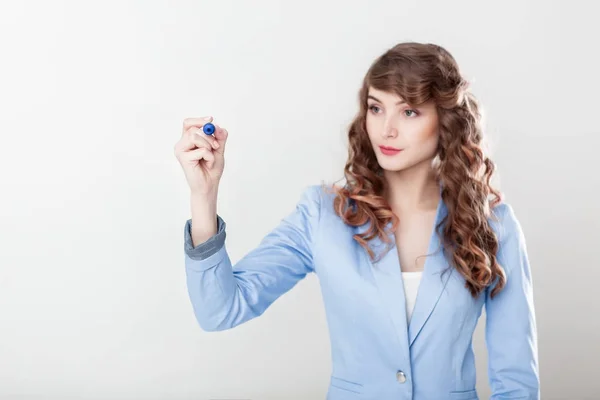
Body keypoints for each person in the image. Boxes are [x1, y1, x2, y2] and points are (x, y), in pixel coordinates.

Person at [173, 42, 540, 400]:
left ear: (446, 122)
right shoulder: (322, 214)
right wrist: (203, 195)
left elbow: (517, 382)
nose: (387, 129)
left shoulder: (493, 225)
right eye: (376, 108)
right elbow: (220, 310)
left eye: (409, 112)